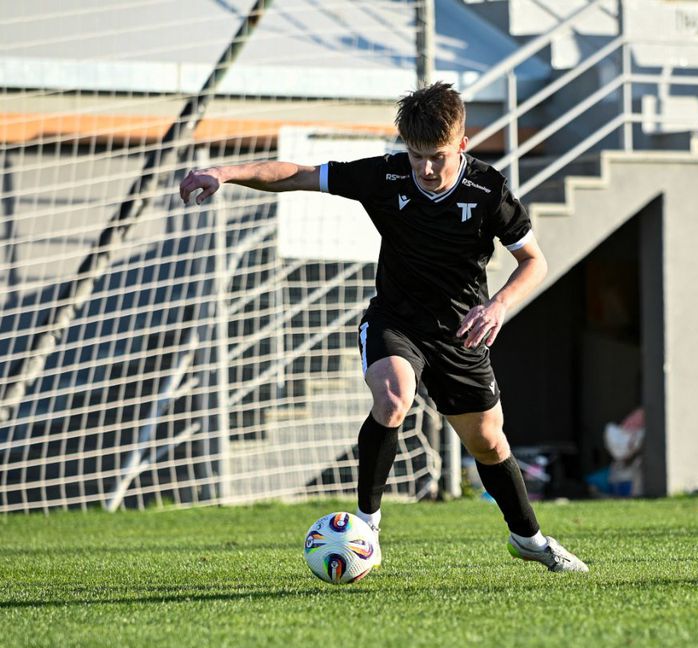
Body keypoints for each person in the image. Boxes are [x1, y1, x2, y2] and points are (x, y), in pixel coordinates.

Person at [180, 82, 588, 573]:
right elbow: (298, 175)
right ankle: (366, 527)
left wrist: (498, 306)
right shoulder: (387, 176)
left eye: (437, 156)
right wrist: (222, 172)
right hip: (395, 321)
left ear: (461, 145)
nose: (427, 169)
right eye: (417, 156)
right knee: (393, 396)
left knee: (488, 442)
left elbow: (533, 262)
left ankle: (529, 539)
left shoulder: (489, 190)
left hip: (460, 333)